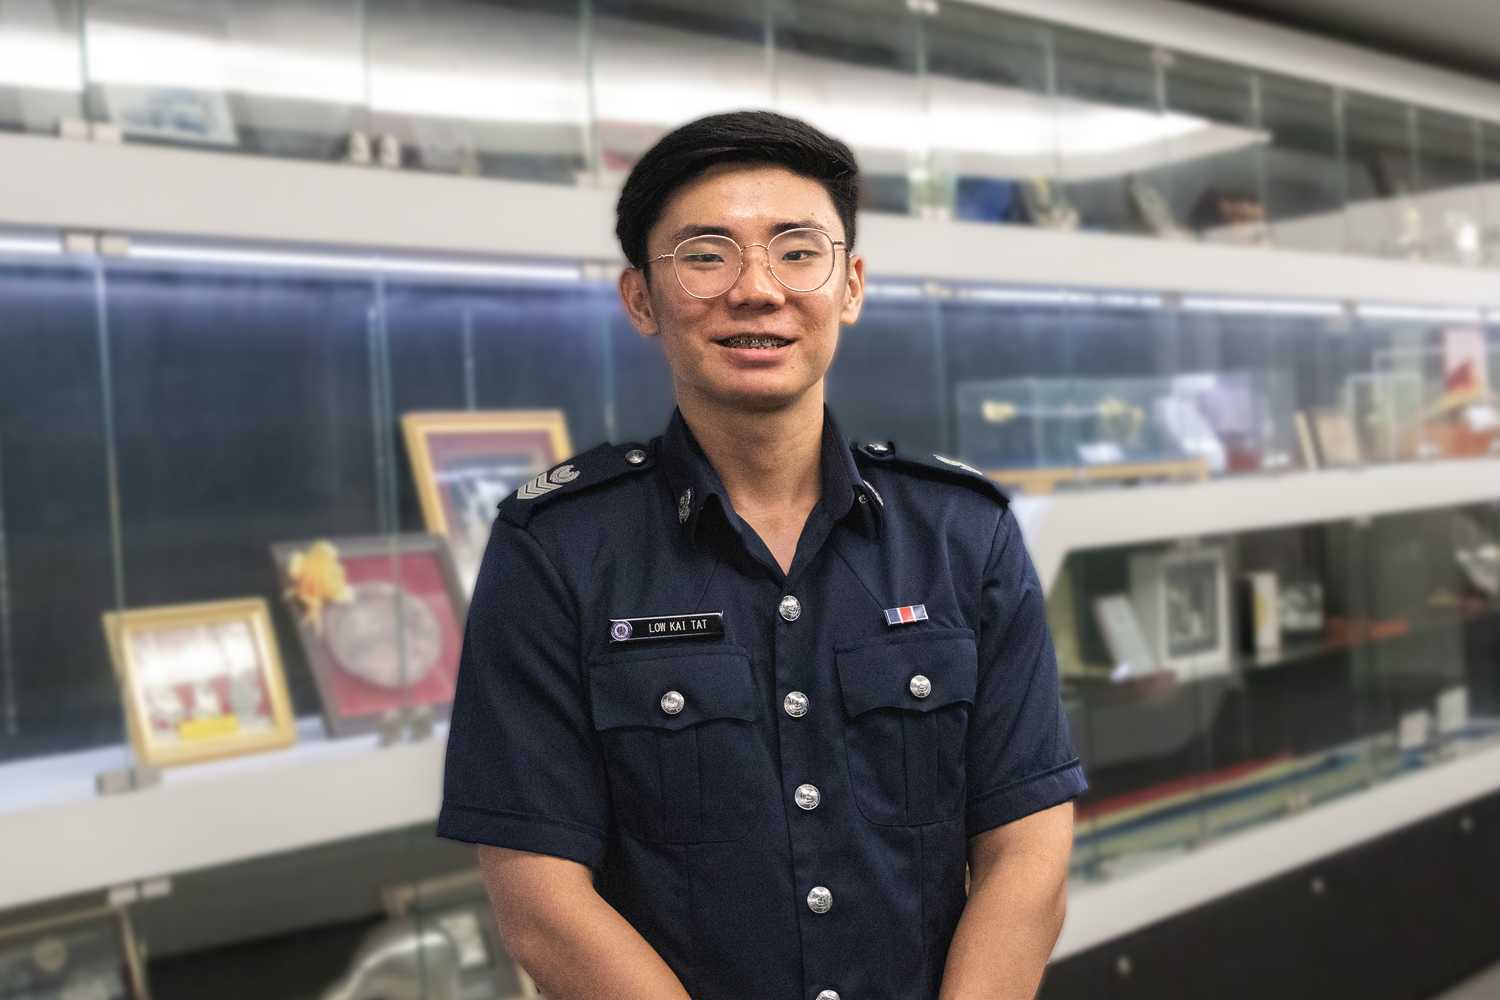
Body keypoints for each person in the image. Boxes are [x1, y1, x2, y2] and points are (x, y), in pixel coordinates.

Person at [437, 110, 1088, 1000]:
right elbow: (539, 898)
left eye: (797, 250)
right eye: (706, 255)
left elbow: (1028, 849)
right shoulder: (555, 549)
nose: (757, 289)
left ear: (850, 285)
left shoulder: (962, 534)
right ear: (641, 298)